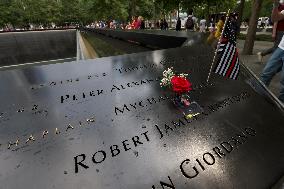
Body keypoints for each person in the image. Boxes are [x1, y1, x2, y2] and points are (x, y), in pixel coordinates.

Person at [260, 0, 284, 103]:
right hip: (282, 47)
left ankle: (280, 109)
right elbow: (275, 18)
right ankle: (257, 98)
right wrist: (275, 4)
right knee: (266, 73)